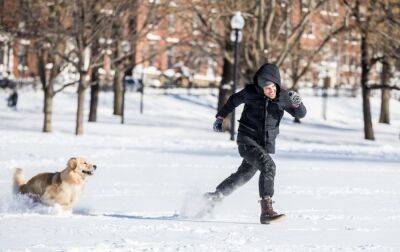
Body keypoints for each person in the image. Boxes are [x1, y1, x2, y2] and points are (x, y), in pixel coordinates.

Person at [206, 63, 306, 224]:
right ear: (260, 87)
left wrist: (297, 103)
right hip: (247, 140)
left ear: (277, 84)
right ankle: (266, 210)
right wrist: (220, 117)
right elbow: (232, 100)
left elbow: (300, 114)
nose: (270, 90)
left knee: (243, 175)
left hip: (264, 144)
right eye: (266, 88)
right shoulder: (251, 93)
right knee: (268, 166)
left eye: (272, 86)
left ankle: (213, 197)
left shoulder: (283, 97)